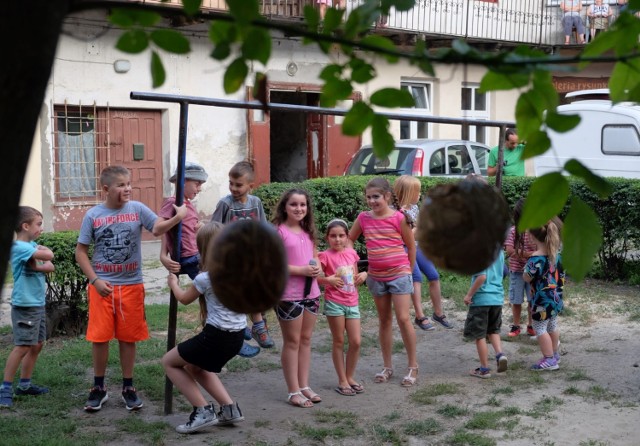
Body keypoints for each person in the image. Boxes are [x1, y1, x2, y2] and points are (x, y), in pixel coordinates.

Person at [75, 165, 187, 412]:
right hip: (102, 287)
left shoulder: (137, 209)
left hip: (131, 286)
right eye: (121, 185)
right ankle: (99, 387)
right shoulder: (93, 215)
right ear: (106, 188)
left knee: (128, 338)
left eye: (129, 184)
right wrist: (95, 280)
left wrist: (177, 217)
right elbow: (80, 252)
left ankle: (128, 387)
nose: (127, 189)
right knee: (100, 338)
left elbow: (157, 228)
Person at [164, 222, 245, 434]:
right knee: (195, 366)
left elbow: (183, 299)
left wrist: (173, 282)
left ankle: (202, 411)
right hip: (236, 337)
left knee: (169, 362)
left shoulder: (206, 278)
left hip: (217, 336)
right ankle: (229, 409)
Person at [349, 177, 418, 387]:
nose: (371, 201)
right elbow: (350, 240)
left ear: (387, 196)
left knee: (404, 319)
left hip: (399, 274)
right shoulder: (363, 218)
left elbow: (411, 245)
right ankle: (387, 366)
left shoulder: (398, 218)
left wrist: (408, 270)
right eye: (368, 197)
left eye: (376, 196)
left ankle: (413, 366)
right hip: (376, 277)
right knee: (385, 321)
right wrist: (354, 267)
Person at [212, 160, 274, 358]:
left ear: (250, 186)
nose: (233, 188)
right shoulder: (225, 204)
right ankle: (247, 330)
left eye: (238, 185)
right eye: (231, 183)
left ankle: (256, 327)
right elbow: (213, 229)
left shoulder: (255, 203)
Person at [0, 207, 55, 408]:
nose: (41, 227)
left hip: (37, 303)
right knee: (23, 346)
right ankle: (5, 388)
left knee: (37, 344)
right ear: (25, 226)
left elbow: (50, 266)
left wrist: (38, 265)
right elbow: (50, 256)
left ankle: (24, 385)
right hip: (25, 305)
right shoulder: (19, 247)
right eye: (38, 224)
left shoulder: (31, 245)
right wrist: (43, 257)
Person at [273, 188, 322, 408]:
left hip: (311, 293)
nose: (299, 209)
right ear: (285, 206)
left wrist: (317, 266)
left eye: (303, 205)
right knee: (292, 342)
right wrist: (301, 270)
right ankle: (293, 391)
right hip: (288, 295)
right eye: (294, 204)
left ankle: (304, 386)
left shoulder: (308, 230)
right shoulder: (278, 232)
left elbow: (315, 257)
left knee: (306, 340)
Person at [393, 175, 453, 332]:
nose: (419, 195)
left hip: (418, 247)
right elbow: (406, 236)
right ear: (407, 192)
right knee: (416, 278)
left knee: (434, 276)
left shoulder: (414, 207)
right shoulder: (397, 212)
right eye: (417, 191)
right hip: (404, 248)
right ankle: (420, 316)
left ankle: (438, 313)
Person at [317, 219, 367, 397]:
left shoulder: (352, 253)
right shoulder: (324, 256)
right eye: (333, 236)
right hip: (334, 302)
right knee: (338, 341)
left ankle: (350, 376)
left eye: (341, 236)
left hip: (352, 301)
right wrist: (327, 280)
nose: (337, 239)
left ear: (347, 237)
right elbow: (317, 278)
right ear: (327, 237)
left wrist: (363, 275)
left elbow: (353, 276)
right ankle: (342, 380)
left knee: (356, 341)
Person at [524, 217, 565, 371]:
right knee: (553, 325)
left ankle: (549, 359)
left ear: (533, 237)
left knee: (540, 328)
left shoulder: (535, 259)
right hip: (555, 298)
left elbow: (527, 277)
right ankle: (554, 354)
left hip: (542, 301)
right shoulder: (557, 255)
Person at [159, 161, 208, 281]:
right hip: (189, 257)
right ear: (183, 181)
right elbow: (158, 228)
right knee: (211, 287)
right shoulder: (173, 202)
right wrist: (163, 255)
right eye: (197, 184)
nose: (200, 189)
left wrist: (199, 228)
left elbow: (173, 230)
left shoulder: (188, 203)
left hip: (195, 253)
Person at [463, 250, 508, 379]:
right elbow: (504, 271)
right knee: (493, 331)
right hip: (497, 298)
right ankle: (500, 354)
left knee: (480, 335)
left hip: (482, 300)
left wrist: (469, 295)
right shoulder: (499, 251)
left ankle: (484, 369)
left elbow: (481, 276)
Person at [504, 199, 537, 338]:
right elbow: (510, 251)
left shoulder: (536, 231)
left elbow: (540, 249)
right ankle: (516, 325)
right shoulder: (513, 231)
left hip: (533, 273)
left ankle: (531, 326)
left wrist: (520, 253)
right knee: (516, 300)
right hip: (517, 272)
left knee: (532, 300)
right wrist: (530, 254)